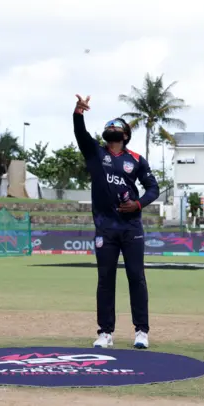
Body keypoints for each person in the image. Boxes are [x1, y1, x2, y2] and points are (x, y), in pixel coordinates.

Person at [72, 94, 160, 349]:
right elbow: (80, 133)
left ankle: (141, 331)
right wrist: (78, 112)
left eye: (116, 126)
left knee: (136, 277)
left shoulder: (135, 159)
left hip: (131, 227)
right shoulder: (95, 153)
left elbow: (153, 188)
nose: (112, 128)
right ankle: (105, 333)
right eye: (109, 126)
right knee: (105, 279)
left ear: (125, 135)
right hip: (105, 227)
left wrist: (138, 204)